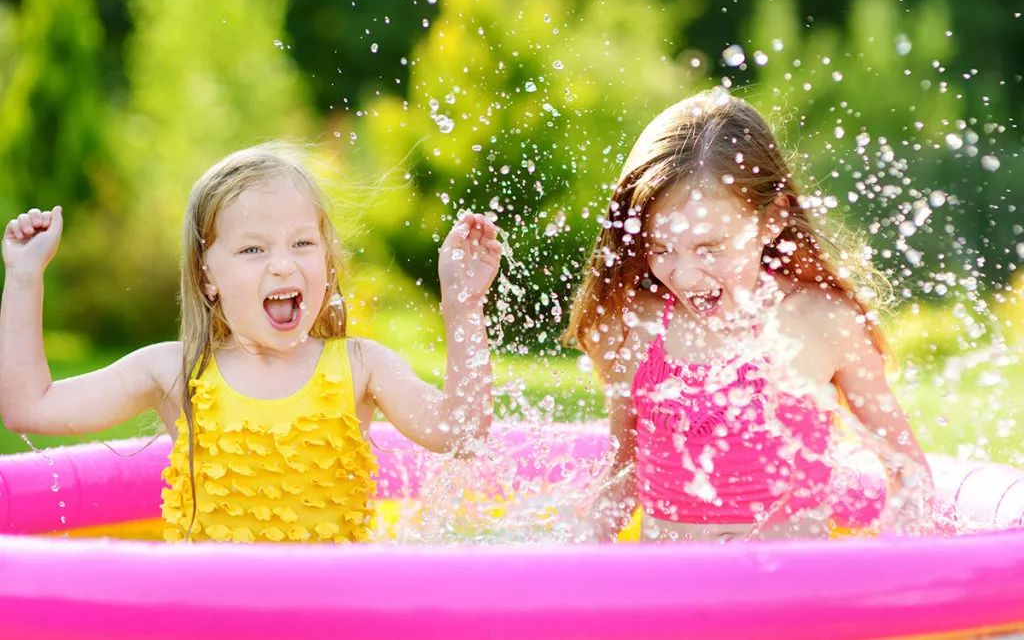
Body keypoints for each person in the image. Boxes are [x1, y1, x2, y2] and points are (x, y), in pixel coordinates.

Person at [0, 145, 503, 544]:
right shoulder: (177, 370)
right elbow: (29, 408)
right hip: (216, 617)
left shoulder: (360, 365)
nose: (283, 263)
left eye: (303, 243)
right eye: (252, 249)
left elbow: (461, 435)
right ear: (207, 275)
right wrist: (24, 276)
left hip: (334, 616)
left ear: (327, 260)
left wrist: (462, 305)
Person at [564, 90, 934, 542]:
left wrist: (898, 571)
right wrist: (577, 559)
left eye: (709, 248)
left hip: (788, 601)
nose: (683, 273)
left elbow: (908, 471)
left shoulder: (820, 322)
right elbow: (623, 475)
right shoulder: (632, 326)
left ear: (771, 220)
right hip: (666, 596)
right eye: (660, 249)